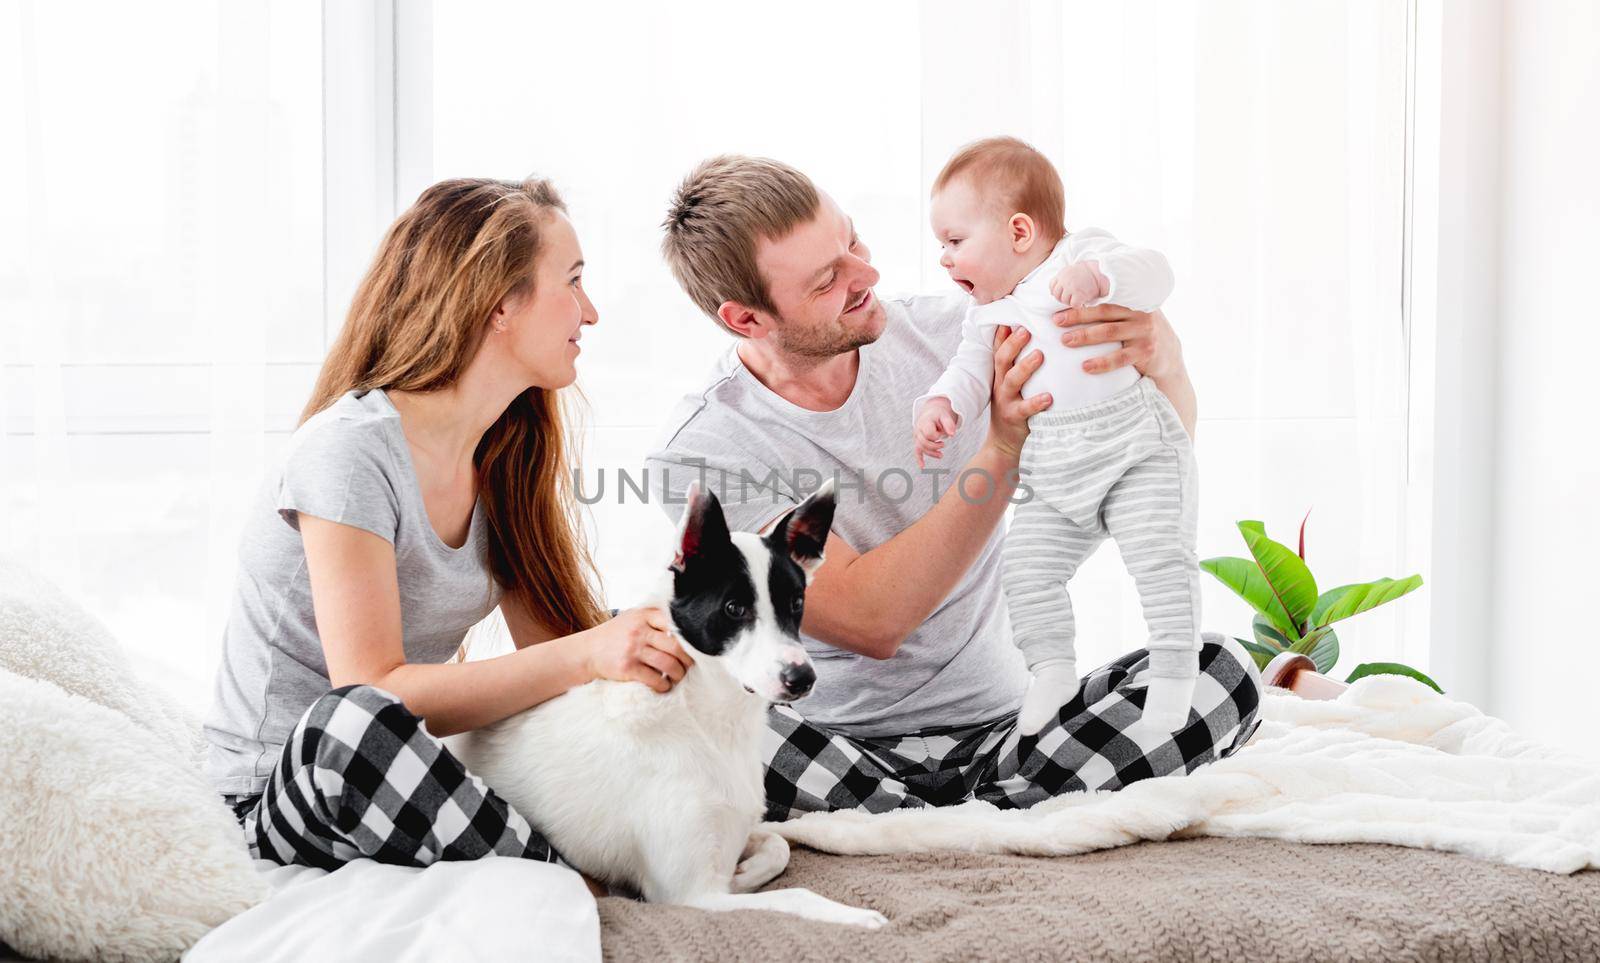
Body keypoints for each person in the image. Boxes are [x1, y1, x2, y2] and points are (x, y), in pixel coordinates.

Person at [646, 155, 1261, 820]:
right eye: (829, 279)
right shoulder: (702, 453)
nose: (868, 274)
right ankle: (996, 814)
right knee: (701, 716)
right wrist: (1001, 446)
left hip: (1011, 730)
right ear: (746, 320)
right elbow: (873, 620)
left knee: (1219, 669)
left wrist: (1161, 358)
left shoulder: (967, 327)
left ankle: (936, 815)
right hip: (836, 745)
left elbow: (1138, 464)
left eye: (852, 240)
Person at [203, 177, 690, 872]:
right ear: (499, 303)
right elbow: (372, 690)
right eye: (574, 281)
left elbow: (560, 660)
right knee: (359, 718)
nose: (591, 311)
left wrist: (642, 654)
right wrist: (588, 653)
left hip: (406, 774)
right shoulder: (348, 452)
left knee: (658, 643)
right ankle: (573, 875)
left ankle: (877, 804)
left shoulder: (502, 454)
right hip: (286, 789)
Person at [914, 136, 1197, 738]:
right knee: (1026, 568)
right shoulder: (988, 311)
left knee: (1159, 561)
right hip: (1056, 465)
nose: (943, 258)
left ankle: (1175, 678)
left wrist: (1101, 276)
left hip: (1133, 447)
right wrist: (941, 403)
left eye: (955, 242)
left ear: (1020, 232)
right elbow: (969, 368)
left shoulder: (1080, 254)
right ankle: (1051, 669)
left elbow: (1157, 272)